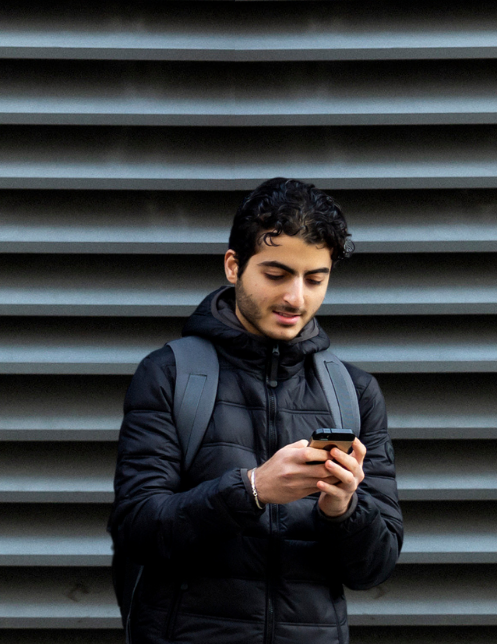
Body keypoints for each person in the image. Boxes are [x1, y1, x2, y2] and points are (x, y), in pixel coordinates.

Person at [110, 177, 402, 644]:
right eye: (276, 274)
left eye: (315, 279)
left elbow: (374, 567)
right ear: (233, 266)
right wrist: (251, 490)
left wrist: (341, 509)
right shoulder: (171, 374)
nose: (296, 298)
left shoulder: (352, 390)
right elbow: (138, 530)